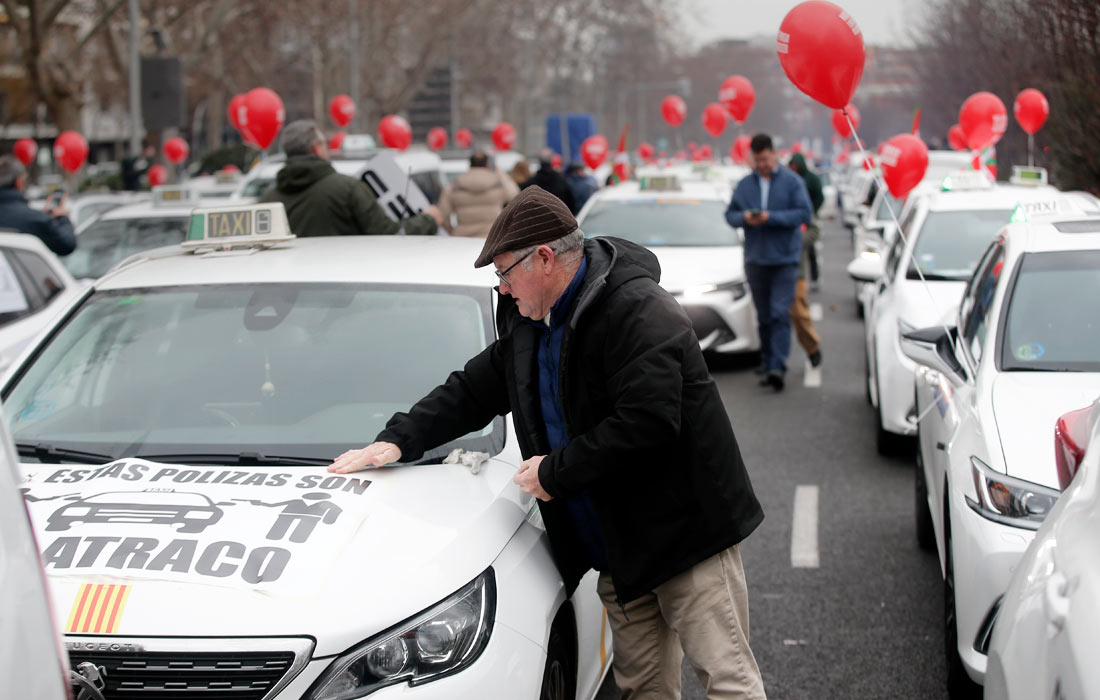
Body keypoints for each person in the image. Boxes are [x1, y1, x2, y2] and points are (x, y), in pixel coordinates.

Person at [329, 185, 767, 700]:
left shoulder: (639, 310)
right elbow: (473, 389)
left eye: (505, 272)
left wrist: (554, 472)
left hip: (685, 538)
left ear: (544, 258)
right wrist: (397, 441)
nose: (503, 288)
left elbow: (647, 423)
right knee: (643, 689)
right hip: (619, 550)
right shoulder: (531, 321)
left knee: (727, 682)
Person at [726, 134, 812, 392]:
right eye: (757, 159)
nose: (762, 164)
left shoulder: (792, 182)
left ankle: (778, 366)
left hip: (784, 259)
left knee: (778, 313)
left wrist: (770, 218)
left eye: (765, 159)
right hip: (756, 259)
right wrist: (745, 218)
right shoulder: (744, 185)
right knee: (763, 315)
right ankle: (768, 360)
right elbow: (730, 215)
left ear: (774, 155)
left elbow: (804, 213)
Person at [260, 120, 442, 237]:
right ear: (316, 148)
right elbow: (388, 236)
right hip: (344, 292)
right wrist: (428, 220)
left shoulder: (267, 201)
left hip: (289, 292)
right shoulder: (348, 190)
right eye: (325, 144)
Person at [787, 153, 823, 368]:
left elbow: (814, 227)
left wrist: (798, 242)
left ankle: (812, 348)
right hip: (770, 263)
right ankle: (774, 365)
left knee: (799, 311)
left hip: (795, 265)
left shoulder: (803, 195)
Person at [0, 156, 76, 256]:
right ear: (19, 182)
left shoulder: (36, 219)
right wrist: (61, 217)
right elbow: (67, 245)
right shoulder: (36, 220)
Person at [437, 150, 518, 237]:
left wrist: (452, 231)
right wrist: (498, 171)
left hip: (463, 237)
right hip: (491, 235)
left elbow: (443, 214)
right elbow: (514, 194)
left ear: (470, 165)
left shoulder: (455, 186)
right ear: (487, 164)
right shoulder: (497, 184)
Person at [788, 153, 823, 290]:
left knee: (811, 250)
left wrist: (812, 210)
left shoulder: (812, 178)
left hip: (808, 216)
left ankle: (814, 277)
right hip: (795, 218)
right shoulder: (791, 179)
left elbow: (819, 196)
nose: (794, 168)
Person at [521, 148, 576, 213]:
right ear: (552, 159)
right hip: (558, 217)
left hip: (536, 219)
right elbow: (571, 203)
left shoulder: (530, 183)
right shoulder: (561, 181)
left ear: (539, 160)